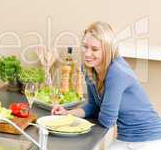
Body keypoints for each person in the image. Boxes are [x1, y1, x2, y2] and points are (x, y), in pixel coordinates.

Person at [52, 21, 161, 149]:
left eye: (94, 49)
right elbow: (93, 106)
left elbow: (107, 120)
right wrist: (68, 113)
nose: (87, 54)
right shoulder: (89, 68)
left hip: (149, 140)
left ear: (108, 50)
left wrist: (98, 112)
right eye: (85, 46)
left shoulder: (117, 72)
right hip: (125, 138)